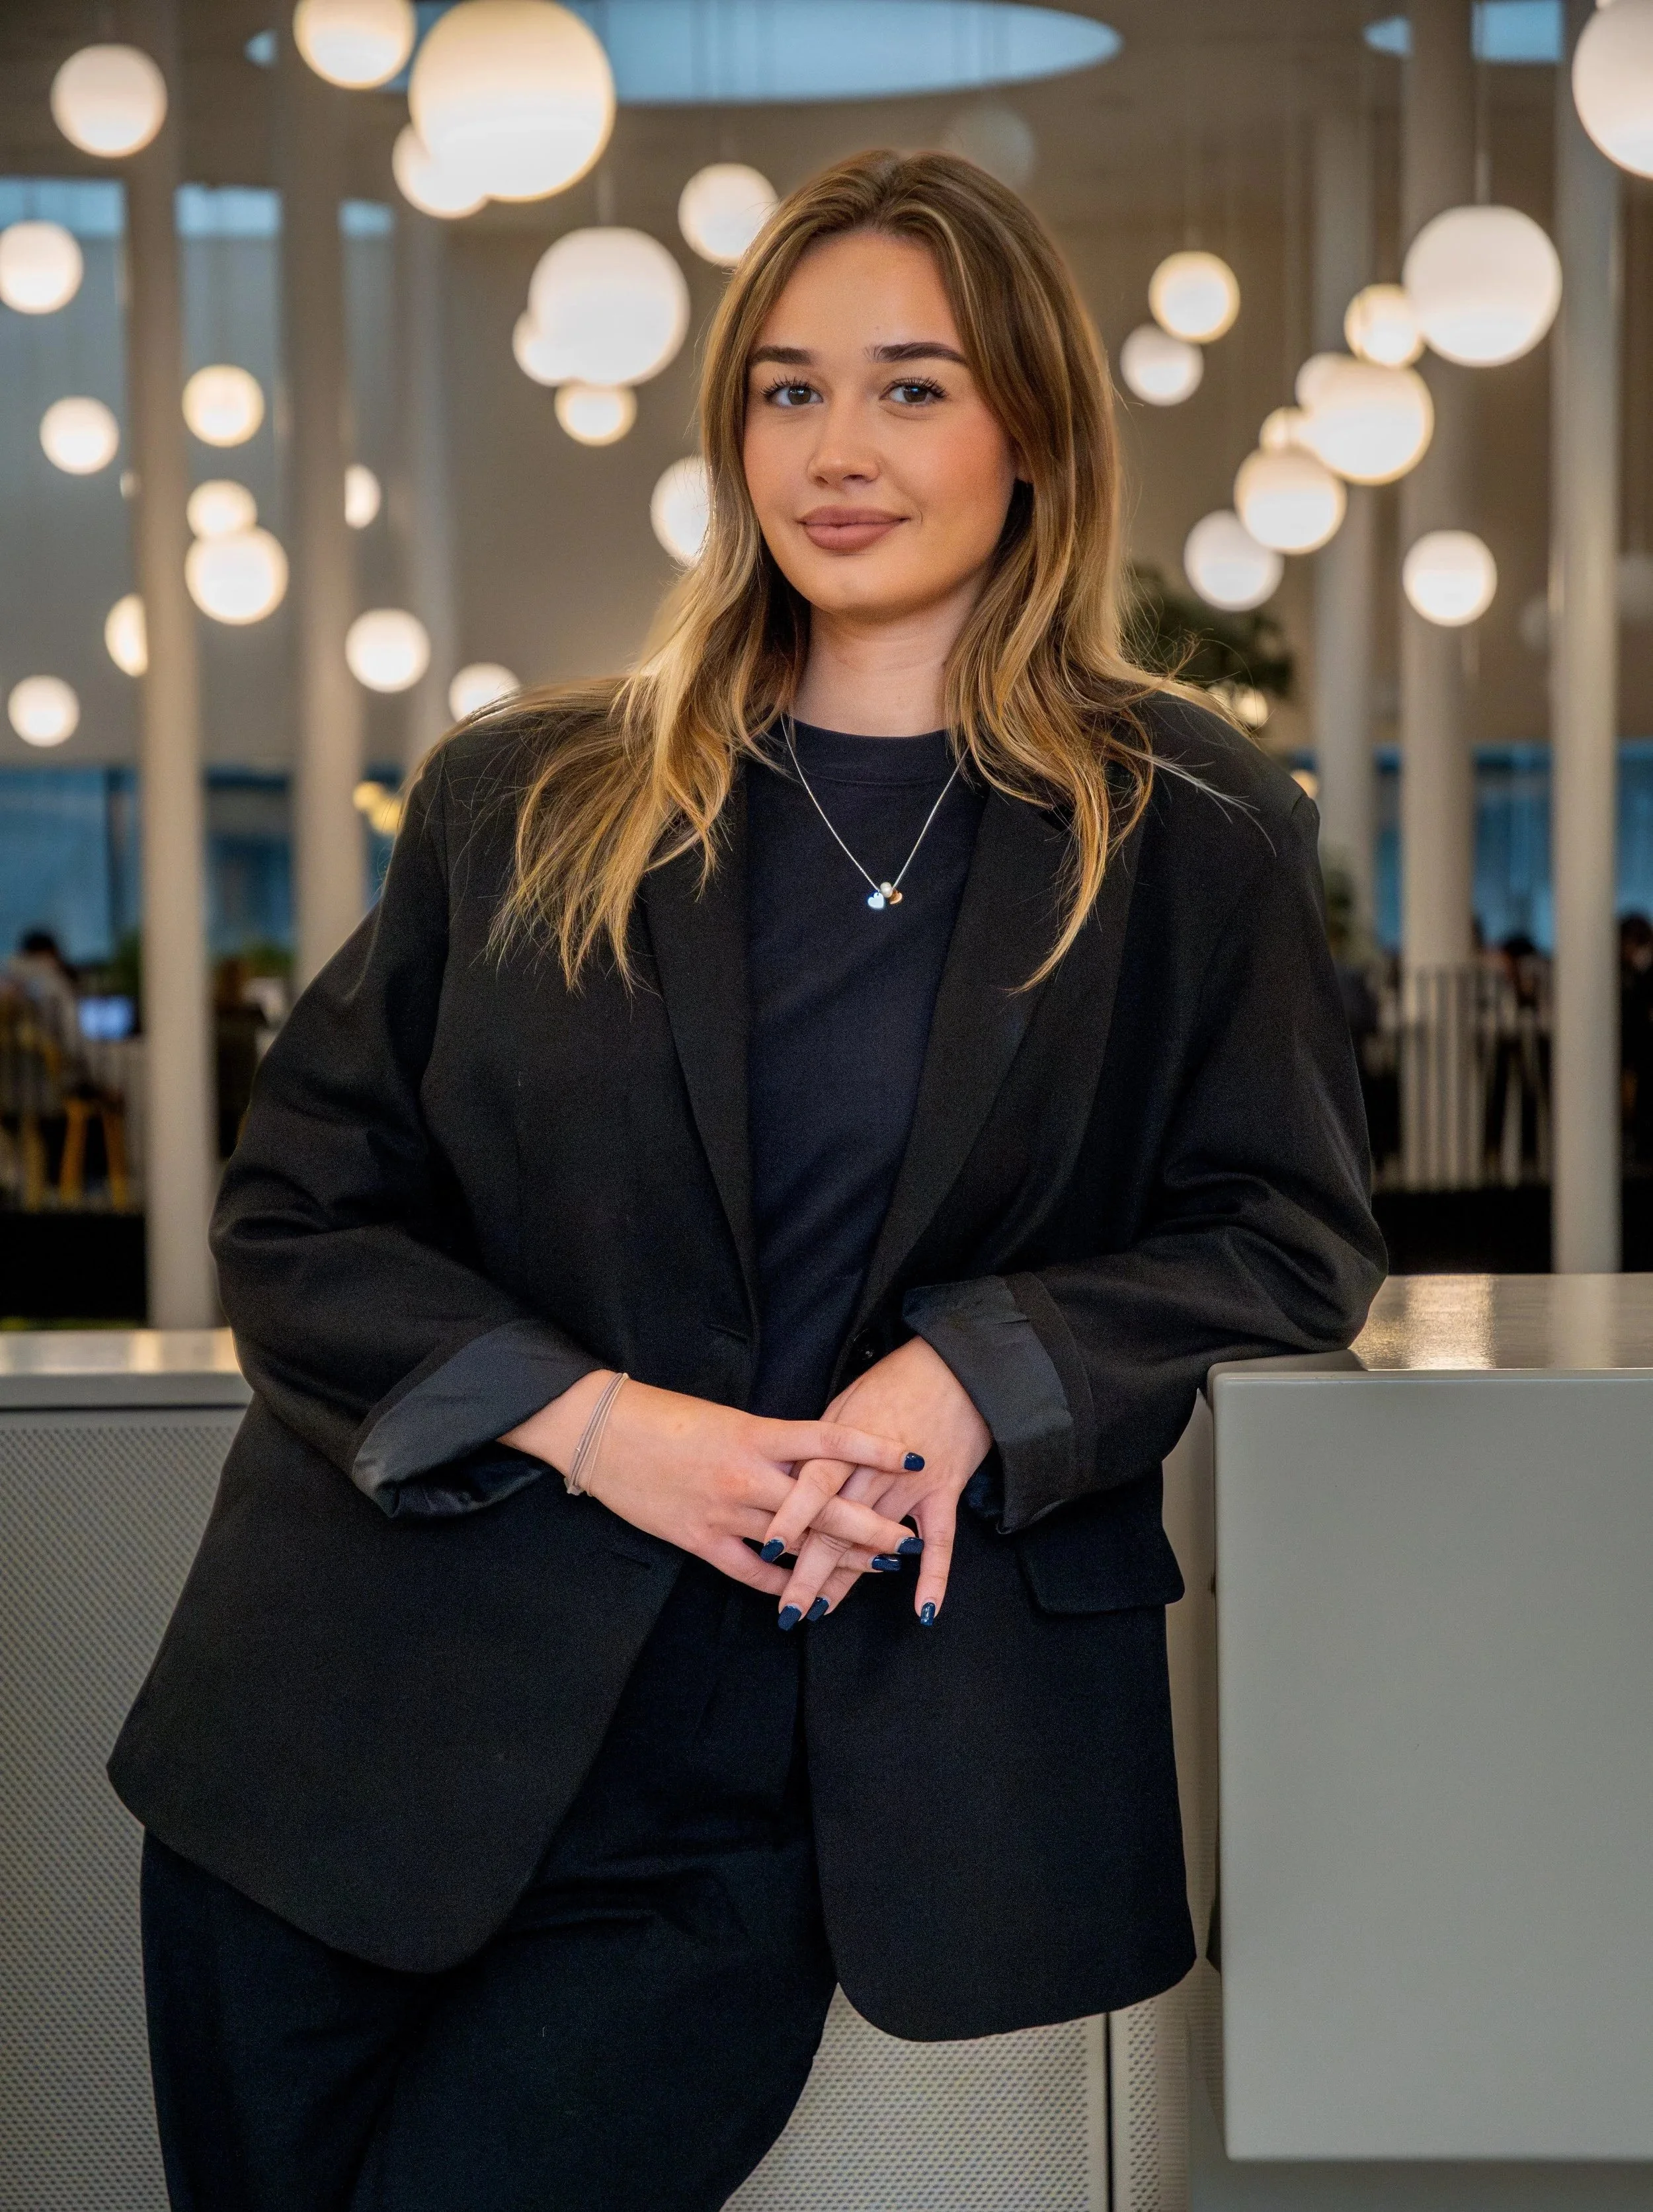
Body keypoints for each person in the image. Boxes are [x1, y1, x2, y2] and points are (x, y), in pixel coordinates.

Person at [111, 150, 1385, 2212]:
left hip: (778, 1798)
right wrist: (604, 1430)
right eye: (785, 391)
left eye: (909, 386)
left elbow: (1287, 1234)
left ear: (1033, 430)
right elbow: (295, 1225)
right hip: (349, 1739)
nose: (836, 450)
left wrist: (973, 1373)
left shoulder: (1182, 825)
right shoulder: (530, 795)